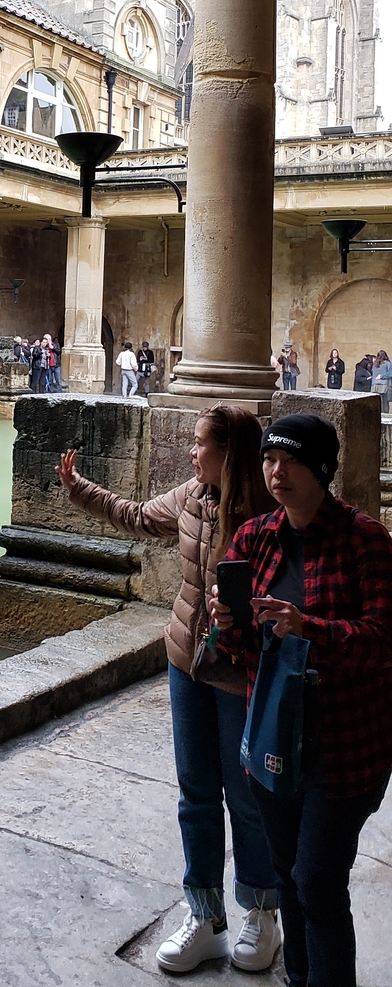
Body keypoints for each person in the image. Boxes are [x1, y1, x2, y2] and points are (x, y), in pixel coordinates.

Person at [57, 407, 281, 974]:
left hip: (240, 671)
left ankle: (260, 911)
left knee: (246, 794)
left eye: (200, 445)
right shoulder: (190, 495)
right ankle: (204, 915)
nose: (190, 453)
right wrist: (78, 489)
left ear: (228, 455)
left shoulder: (268, 516)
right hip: (187, 662)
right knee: (196, 792)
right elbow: (134, 516)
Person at [211, 414, 392, 987]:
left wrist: (307, 627)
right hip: (273, 739)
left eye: (290, 460)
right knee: (289, 874)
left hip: (346, 746)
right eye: (269, 459)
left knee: (317, 879)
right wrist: (228, 623)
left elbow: (383, 641)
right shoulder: (254, 537)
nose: (275, 471)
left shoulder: (364, 539)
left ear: (321, 468)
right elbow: (244, 653)